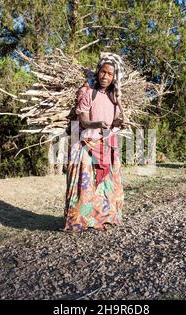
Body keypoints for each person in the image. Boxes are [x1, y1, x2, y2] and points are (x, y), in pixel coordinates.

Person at [63, 53, 126, 233]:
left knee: (105, 184)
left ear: (115, 77)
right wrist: (96, 124)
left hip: (106, 143)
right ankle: (81, 220)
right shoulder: (88, 92)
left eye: (110, 74)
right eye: (103, 72)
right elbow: (82, 120)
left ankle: (102, 219)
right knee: (86, 184)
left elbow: (112, 122)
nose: (105, 76)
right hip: (86, 144)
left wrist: (117, 123)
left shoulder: (114, 97)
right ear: (98, 72)